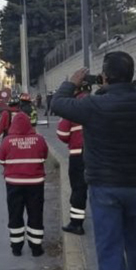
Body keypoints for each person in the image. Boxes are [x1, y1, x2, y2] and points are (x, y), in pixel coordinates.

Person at [51, 51, 136, 270]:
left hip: (106, 186)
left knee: (110, 248)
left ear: (104, 76)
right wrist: (110, 86)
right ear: (131, 75)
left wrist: (72, 82)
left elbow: (58, 103)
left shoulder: (94, 105)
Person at [0, 112, 48, 257]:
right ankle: (36, 248)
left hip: (14, 184)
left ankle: (16, 247)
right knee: (35, 213)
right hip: (35, 183)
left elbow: (1, 160)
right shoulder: (39, 140)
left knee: (15, 214)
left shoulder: (7, 141)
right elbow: (44, 156)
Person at [57, 81, 92, 236]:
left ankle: (77, 224)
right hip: (99, 154)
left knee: (79, 189)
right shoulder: (97, 102)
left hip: (78, 155)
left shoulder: (73, 106)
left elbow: (63, 134)